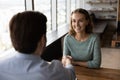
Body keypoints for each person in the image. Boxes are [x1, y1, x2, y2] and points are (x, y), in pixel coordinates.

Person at [0, 11, 76, 80]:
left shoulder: (1, 67)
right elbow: (71, 75)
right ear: (43, 40)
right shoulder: (53, 72)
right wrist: (68, 63)